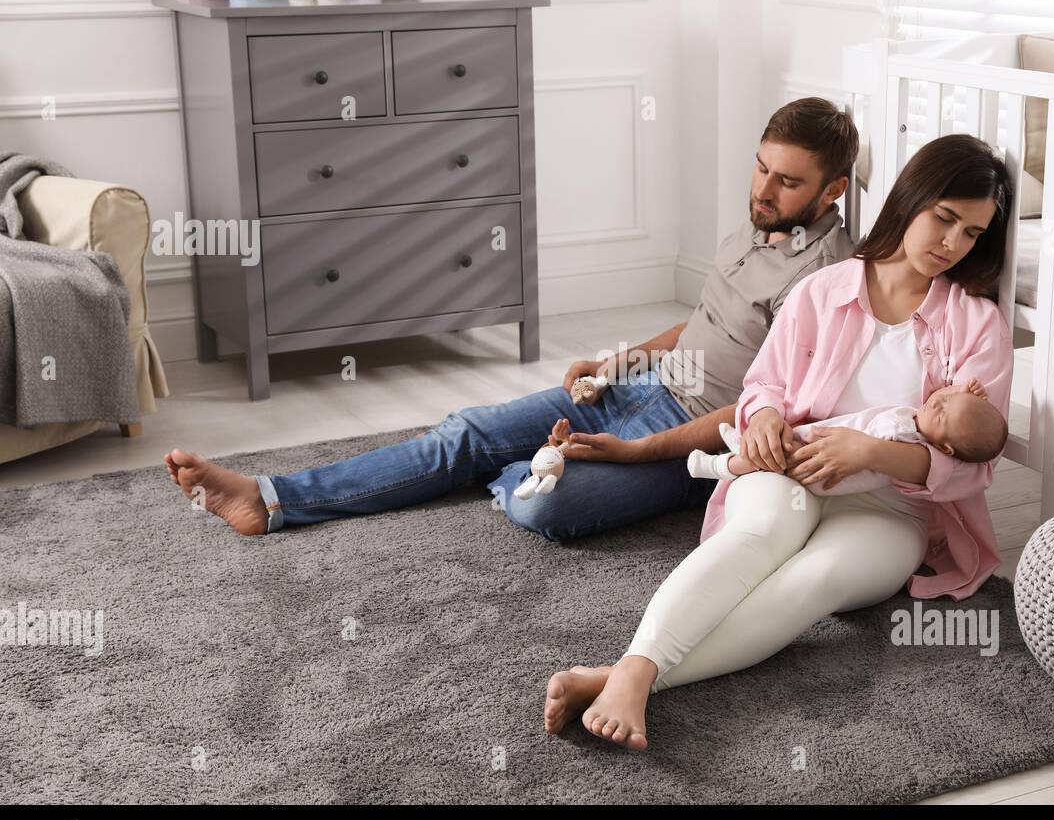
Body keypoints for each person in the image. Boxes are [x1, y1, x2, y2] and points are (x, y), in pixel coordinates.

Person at [162, 98, 859, 540]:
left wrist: (638, 450)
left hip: (689, 441)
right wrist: (623, 361)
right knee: (466, 430)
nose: (761, 191)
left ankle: (525, 469)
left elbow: (763, 408)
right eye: (760, 169)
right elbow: (708, 324)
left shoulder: (826, 282)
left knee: (544, 506)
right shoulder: (756, 227)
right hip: (641, 390)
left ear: (831, 191)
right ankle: (270, 498)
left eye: (786, 181)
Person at [542, 133, 1016, 751]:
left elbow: (976, 466)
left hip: (892, 506)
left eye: (973, 234)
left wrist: (872, 451)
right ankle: (636, 669)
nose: (952, 244)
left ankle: (627, 676)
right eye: (944, 219)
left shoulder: (977, 325)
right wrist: (763, 418)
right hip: (787, 467)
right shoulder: (823, 290)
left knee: (816, 581)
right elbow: (764, 384)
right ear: (910, 200)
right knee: (761, 536)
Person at [687, 377, 1007, 495]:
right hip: (828, 454)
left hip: (823, 465)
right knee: (775, 452)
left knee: (778, 458)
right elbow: (943, 398)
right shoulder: (924, 424)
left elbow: (865, 443)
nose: (937, 401)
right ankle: (737, 450)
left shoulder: (905, 433)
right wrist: (964, 392)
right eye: (945, 398)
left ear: (944, 447)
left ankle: (720, 467)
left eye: (942, 413)